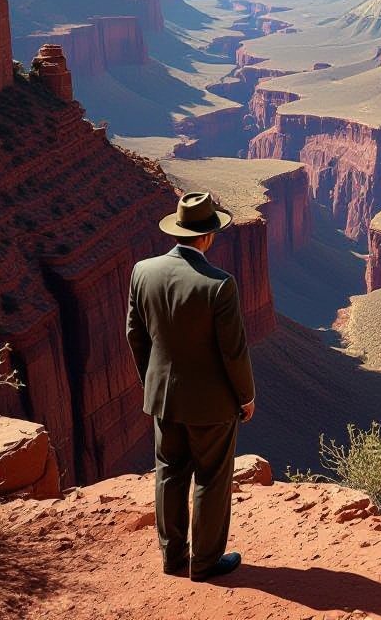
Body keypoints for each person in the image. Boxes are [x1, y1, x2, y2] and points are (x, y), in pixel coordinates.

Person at [126, 190, 255, 582]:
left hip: (163, 398)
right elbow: (233, 352)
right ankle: (206, 562)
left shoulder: (142, 271)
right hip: (212, 406)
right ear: (208, 236)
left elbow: (136, 335)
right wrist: (246, 396)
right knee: (212, 480)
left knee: (168, 472)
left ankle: (171, 557)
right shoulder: (219, 284)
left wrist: (153, 382)